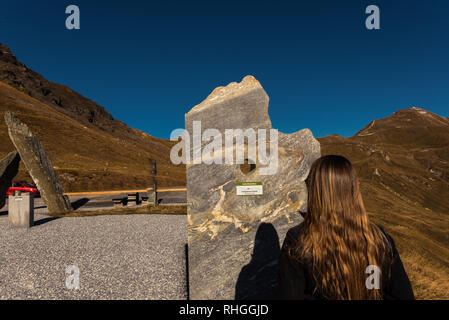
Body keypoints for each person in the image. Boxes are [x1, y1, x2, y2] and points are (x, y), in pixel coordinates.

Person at [278, 155, 414, 300]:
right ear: (354, 188)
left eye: (308, 183)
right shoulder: (380, 238)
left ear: (315, 190)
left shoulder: (299, 239)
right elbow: (403, 295)